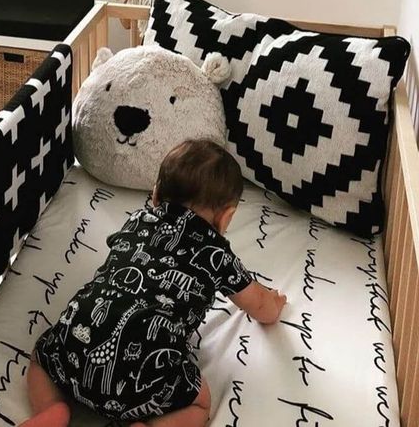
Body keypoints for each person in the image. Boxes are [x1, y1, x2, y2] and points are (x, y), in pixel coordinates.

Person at [22, 139, 287, 427]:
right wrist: (274, 302)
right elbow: (262, 308)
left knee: (40, 356)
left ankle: (52, 410)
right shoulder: (217, 256)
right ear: (226, 217)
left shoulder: (138, 220)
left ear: (156, 195)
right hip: (141, 386)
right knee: (200, 403)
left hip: (73, 355)